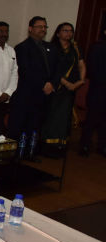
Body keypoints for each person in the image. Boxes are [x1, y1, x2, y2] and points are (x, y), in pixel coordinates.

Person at [8, 16, 58, 140]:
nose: (43, 29)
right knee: (23, 127)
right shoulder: (22, 47)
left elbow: (57, 69)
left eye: (45, 27)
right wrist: (43, 84)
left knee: (38, 127)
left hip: (45, 95)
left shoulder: (51, 47)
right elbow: (25, 71)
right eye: (39, 26)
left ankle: (33, 149)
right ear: (30, 29)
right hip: (28, 94)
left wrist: (52, 83)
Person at [41, 22, 86, 157]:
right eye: (65, 30)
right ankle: (48, 147)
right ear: (58, 33)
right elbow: (51, 69)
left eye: (70, 31)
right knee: (53, 117)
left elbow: (81, 65)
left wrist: (79, 82)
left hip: (70, 89)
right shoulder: (52, 48)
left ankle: (60, 146)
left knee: (64, 118)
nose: (68, 33)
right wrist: (66, 83)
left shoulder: (75, 48)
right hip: (56, 87)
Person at [80, 26, 106, 157]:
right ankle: (84, 145)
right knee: (91, 119)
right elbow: (92, 68)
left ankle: (102, 146)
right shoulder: (97, 47)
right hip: (98, 89)